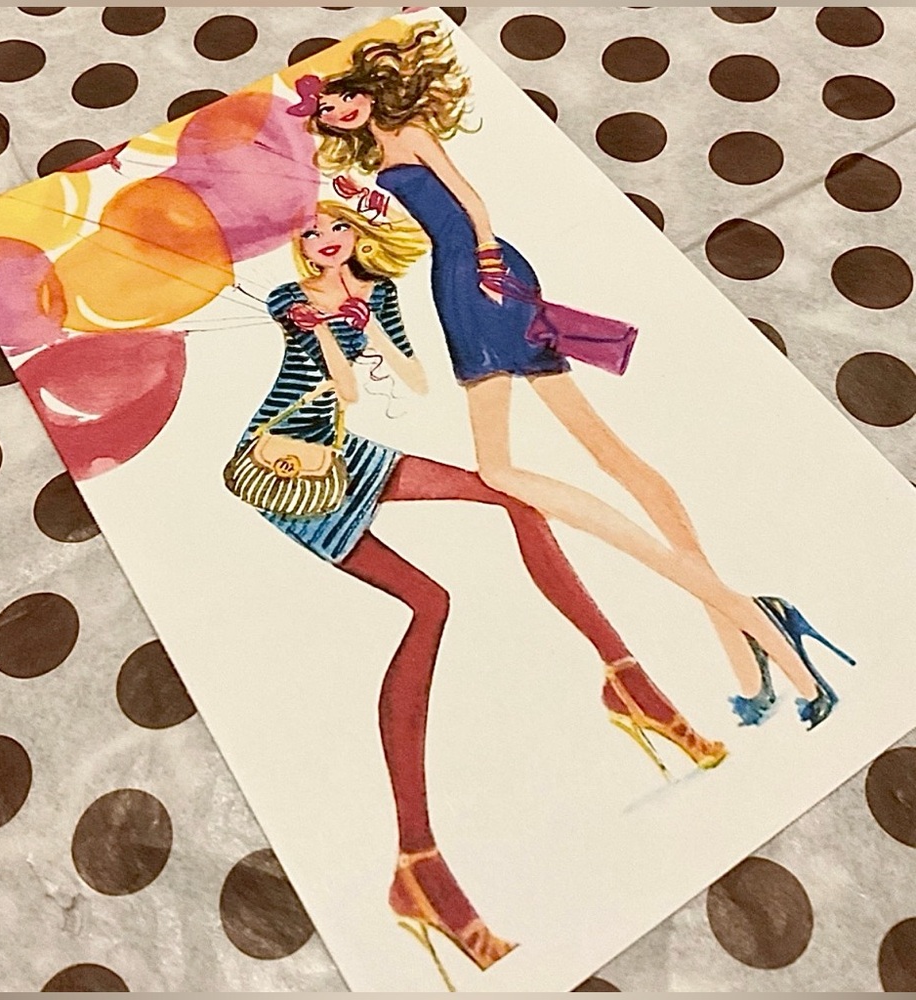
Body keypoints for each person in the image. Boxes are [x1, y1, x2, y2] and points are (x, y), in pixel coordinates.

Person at [288, 22, 855, 733]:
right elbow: (409, 230)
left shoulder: (408, 132)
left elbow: (471, 201)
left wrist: (488, 261)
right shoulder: (375, 165)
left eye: (342, 98)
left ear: (367, 93)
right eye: (327, 111)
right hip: (454, 281)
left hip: (479, 278)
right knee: (601, 446)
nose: (338, 111)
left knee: (504, 468)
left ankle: (740, 612)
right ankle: (745, 632)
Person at [225, 201, 726, 984]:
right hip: (290, 467)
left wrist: (374, 324)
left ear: (355, 236)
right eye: (311, 235)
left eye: (336, 229)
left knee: (515, 496)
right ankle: (417, 864)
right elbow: (343, 388)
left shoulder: (379, 291)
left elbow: (411, 374)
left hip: (346, 451)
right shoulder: (290, 299)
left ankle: (627, 679)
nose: (324, 242)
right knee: (430, 604)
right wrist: (327, 328)